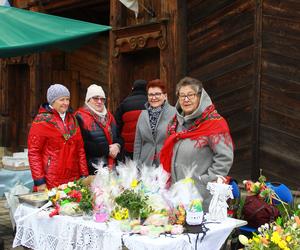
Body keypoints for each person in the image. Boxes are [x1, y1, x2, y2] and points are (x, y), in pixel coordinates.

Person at [160, 76, 234, 211]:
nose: (185, 99)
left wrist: (204, 181)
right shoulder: (175, 123)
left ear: (200, 97)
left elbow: (225, 157)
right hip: (177, 193)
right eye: (182, 95)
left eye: (190, 95)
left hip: (201, 195)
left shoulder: (214, 123)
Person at [28, 84, 89, 191]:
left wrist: (84, 175)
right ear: (52, 101)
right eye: (62, 100)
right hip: (51, 178)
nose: (66, 103)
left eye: (67, 99)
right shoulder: (41, 120)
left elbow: (80, 149)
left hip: (73, 176)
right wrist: (39, 181)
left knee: (72, 206)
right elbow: (34, 152)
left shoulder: (73, 119)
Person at [75, 84, 122, 174]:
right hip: (92, 168)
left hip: (112, 166)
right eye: (96, 98)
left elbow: (119, 137)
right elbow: (82, 144)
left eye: (102, 99)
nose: (99, 101)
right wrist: (107, 150)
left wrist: (118, 145)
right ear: (88, 100)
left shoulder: (109, 116)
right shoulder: (80, 117)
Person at [133, 79, 176, 167]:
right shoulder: (142, 115)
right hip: (145, 163)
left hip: (166, 162)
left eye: (157, 94)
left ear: (165, 96)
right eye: (150, 95)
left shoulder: (174, 113)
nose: (153, 97)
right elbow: (138, 142)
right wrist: (136, 165)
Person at [115, 79, 148, 159]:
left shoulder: (124, 103)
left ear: (133, 88)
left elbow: (117, 124)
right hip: (145, 145)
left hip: (127, 146)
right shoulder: (150, 102)